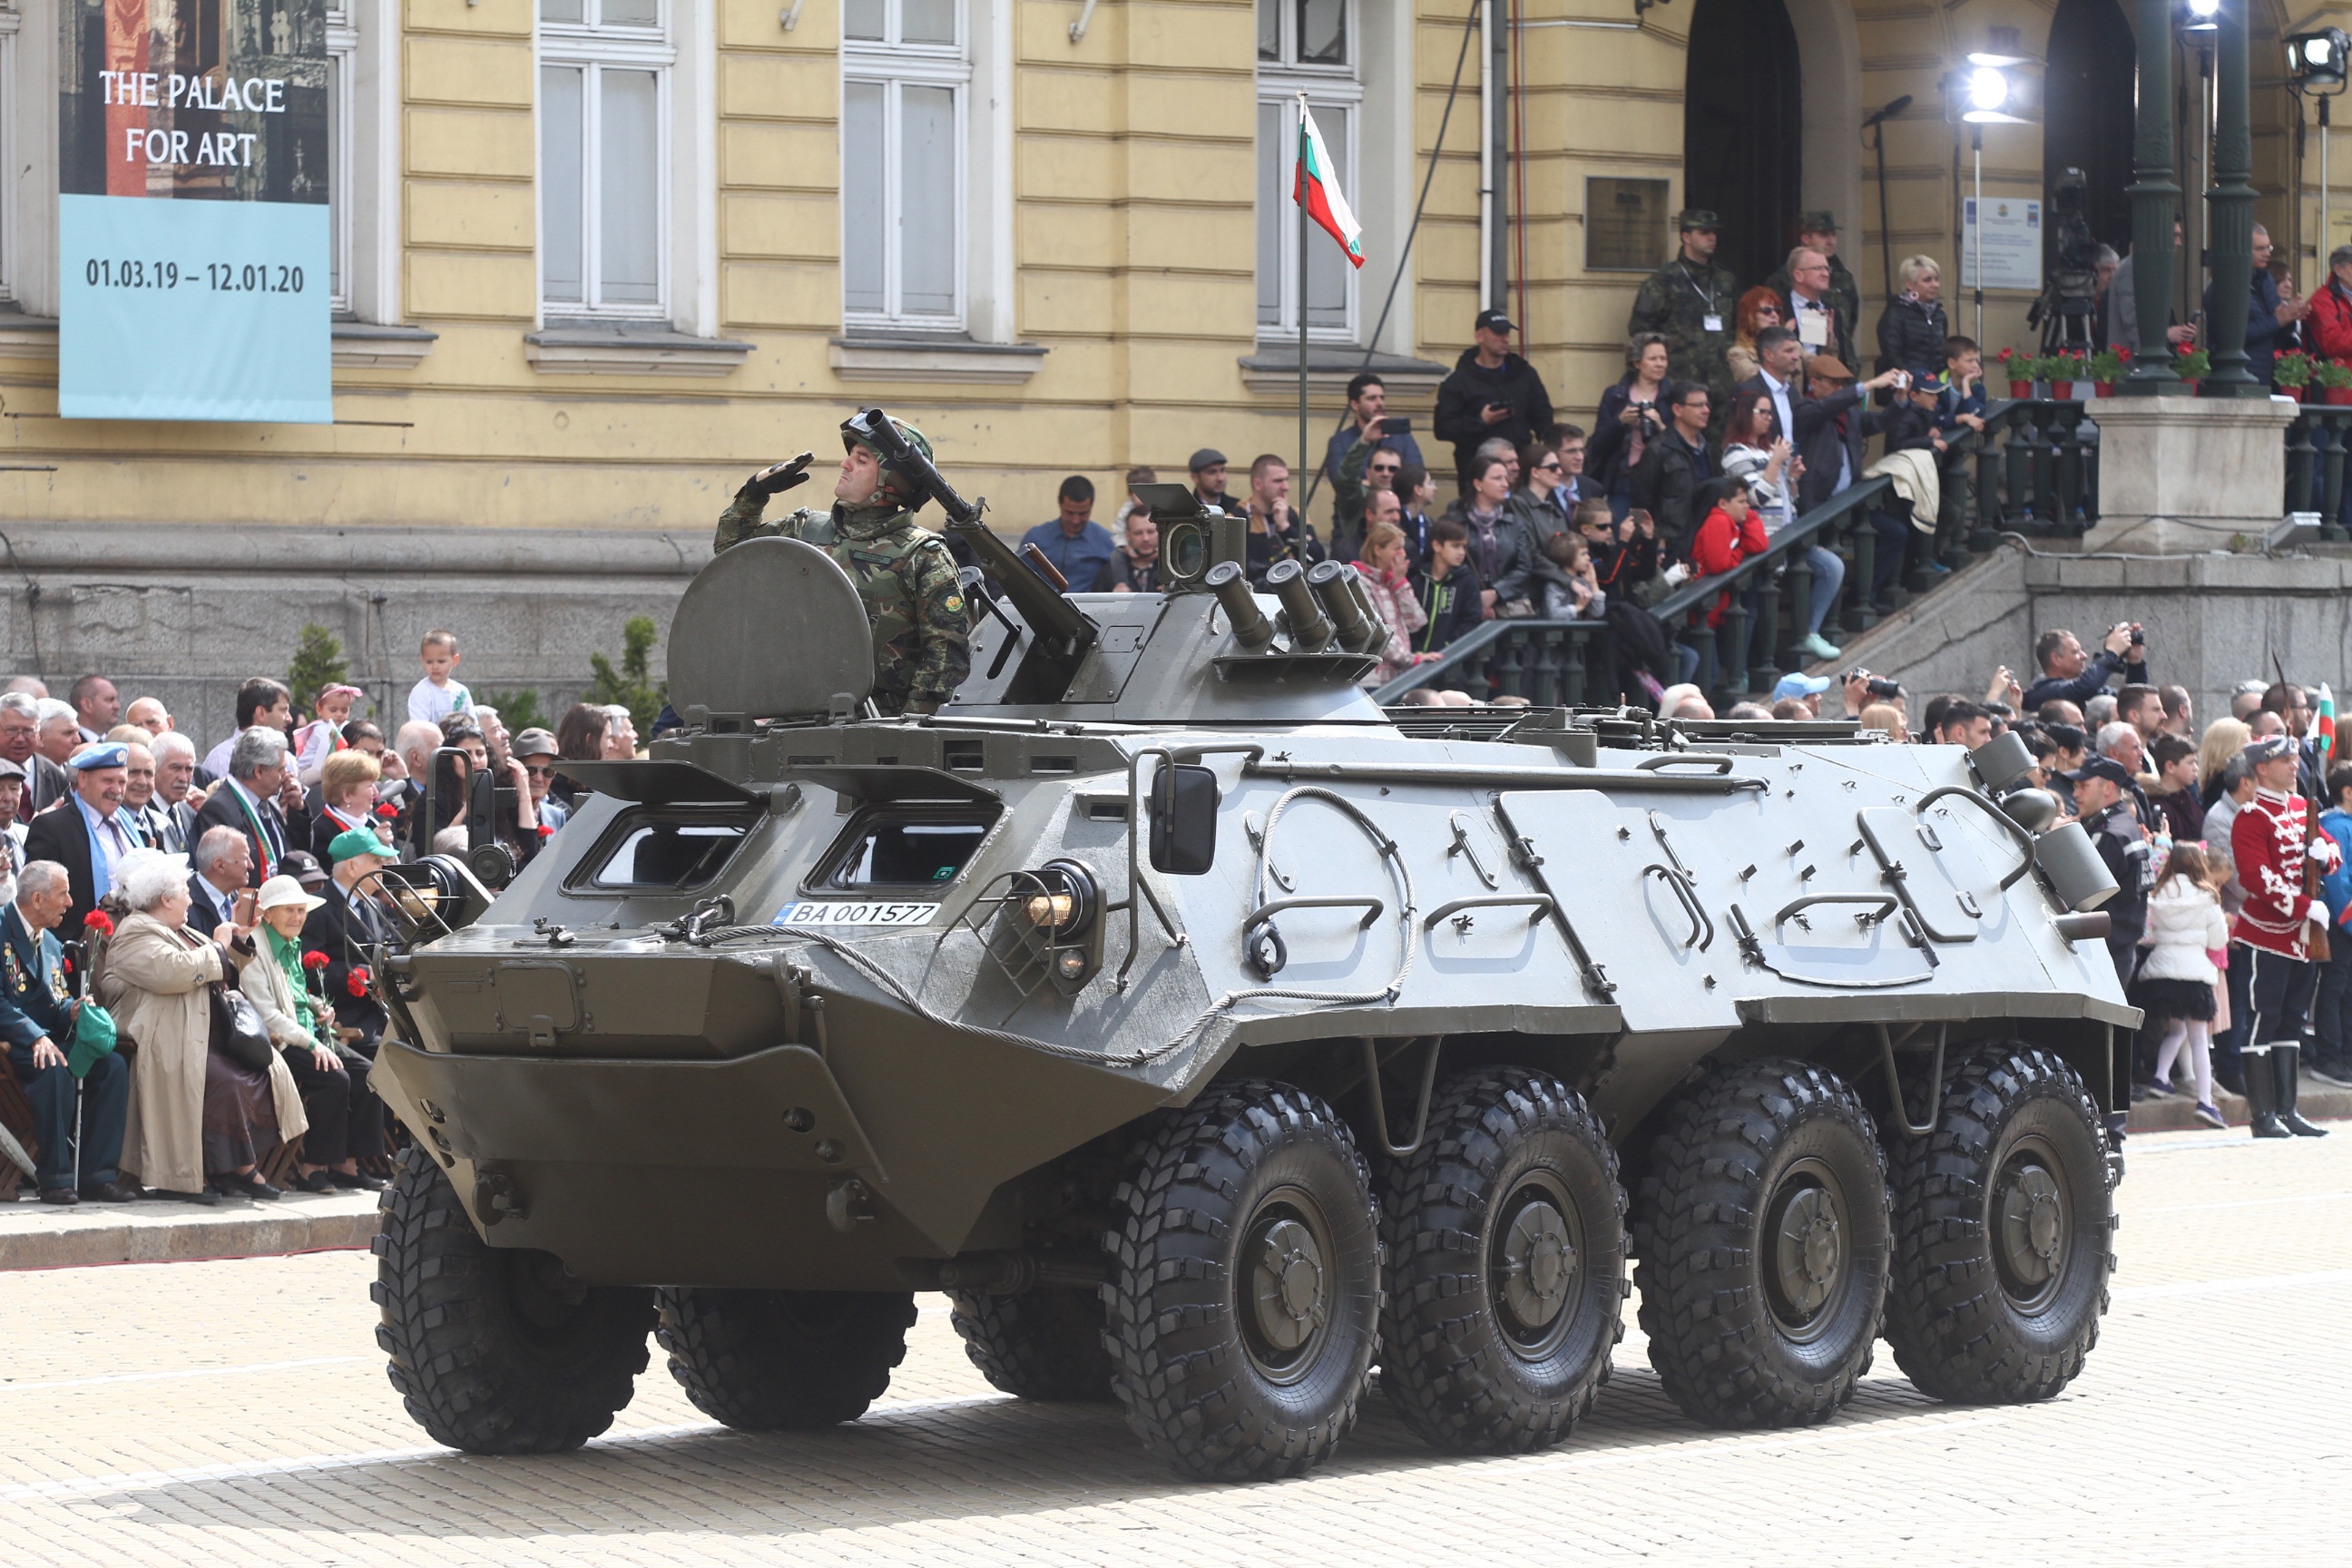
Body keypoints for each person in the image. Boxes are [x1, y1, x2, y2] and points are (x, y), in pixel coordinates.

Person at [710, 412, 972, 716]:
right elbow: (730, 556)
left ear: (892, 481)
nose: (845, 464)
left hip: (875, 724)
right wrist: (753, 494)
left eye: (861, 460)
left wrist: (909, 725)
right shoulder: (802, 529)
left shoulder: (923, 555)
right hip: (793, 718)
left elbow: (945, 655)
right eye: (850, 455)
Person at [100, 847, 302, 1204]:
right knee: (225, 1082)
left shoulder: (181, 930)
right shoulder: (134, 932)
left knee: (254, 1074)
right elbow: (174, 972)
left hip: (199, 1035)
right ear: (166, 899)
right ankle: (215, 1173)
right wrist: (220, 946)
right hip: (162, 1040)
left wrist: (237, 939)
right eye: (185, 892)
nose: (191, 900)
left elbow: (222, 965)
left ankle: (230, 1169)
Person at [0, 861, 133, 1204]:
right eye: (63, 894)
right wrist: (35, 1036)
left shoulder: (51, 942)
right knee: (54, 1067)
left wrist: (71, 1009)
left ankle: (96, 1175)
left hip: (48, 1040)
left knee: (112, 1066)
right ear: (38, 899)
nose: (70, 903)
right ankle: (55, 1178)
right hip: (12, 1042)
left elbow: (54, 1002)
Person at [241, 874, 384, 1193]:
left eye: (301, 910)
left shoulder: (290, 942)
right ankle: (312, 1168)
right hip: (276, 1042)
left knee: (370, 1075)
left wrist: (320, 1006)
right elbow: (267, 1015)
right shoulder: (254, 947)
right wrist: (313, 1044)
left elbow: (296, 994)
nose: (297, 917)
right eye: (289, 910)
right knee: (335, 1079)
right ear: (268, 914)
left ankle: (347, 1165)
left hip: (307, 1033)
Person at [2230, 733, 2339, 1136]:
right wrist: (2302, 905)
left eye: (2295, 759)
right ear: (2262, 768)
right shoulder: (2251, 816)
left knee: (2293, 1019)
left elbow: (2331, 848)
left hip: (2303, 936)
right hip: (2268, 933)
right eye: (2285, 761)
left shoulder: (2301, 808)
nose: (2295, 766)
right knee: (2264, 1017)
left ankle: (2287, 1110)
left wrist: (2326, 856)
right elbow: (2257, 877)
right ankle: (2263, 1116)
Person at [1720, 389, 1842, 662]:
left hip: (1788, 535)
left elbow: (1785, 498)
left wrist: (1792, 478)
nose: (1768, 418)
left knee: (1832, 566)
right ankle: (1741, 669)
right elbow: (1756, 498)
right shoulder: (1735, 453)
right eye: (1762, 412)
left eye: (1770, 413)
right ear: (1745, 414)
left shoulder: (1767, 450)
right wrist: (1776, 462)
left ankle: (1810, 632)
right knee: (1752, 607)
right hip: (1760, 541)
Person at [2133, 842, 2230, 1128]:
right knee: (2198, 1039)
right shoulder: (2207, 897)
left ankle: (2161, 1078)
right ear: (2199, 864)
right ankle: (2205, 1102)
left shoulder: (2158, 894)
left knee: (2176, 1031)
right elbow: (2218, 941)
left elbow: (2148, 933)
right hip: (2194, 974)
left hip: (2162, 973)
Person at [23, 743, 143, 936]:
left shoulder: (132, 825)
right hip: (82, 945)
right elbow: (39, 900)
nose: (116, 790)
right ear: (83, 779)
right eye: (108, 781)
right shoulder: (52, 828)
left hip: (134, 939)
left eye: (122, 782)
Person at [1435, 309, 1556, 494]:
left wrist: (1546, 457)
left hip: (1519, 469)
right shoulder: (1459, 381)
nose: (1505, 339)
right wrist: (1481, 421)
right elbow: (1443, 428)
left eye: (1507, 333)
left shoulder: (1524, 373)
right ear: (1480, 336)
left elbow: (1543, 418)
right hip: (1477, 472)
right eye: (1498, 333)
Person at [1627, 210, 1740, 410]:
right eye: (1704, 232)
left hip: (1721, 386)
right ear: (1686, 237)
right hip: (1679, 386)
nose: (1712, 238)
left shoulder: (1725, 280)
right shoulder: (1661, 281)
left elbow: (1737, 325)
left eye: (1713, 232)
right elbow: (1639, 328)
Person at [304, 829, 397, 1051]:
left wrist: (388, 972)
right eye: (375, 861)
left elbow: (390, 947)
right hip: (344, 1022)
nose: (382, 867)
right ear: (352, 867)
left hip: (383, 1019)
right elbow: (311, 971)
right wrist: (366, 974)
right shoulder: (317, 908)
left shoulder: (375, 905)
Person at [191, 727, 294, 887]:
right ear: (259, 771)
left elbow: (295, 850)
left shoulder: (269, 802)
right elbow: (224, 874)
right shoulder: (220, 809)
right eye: (281, 769)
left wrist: (298, 809)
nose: (286, 775)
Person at [2203, 224, 2302, 388]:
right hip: (2239, 376)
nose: (2267, 253)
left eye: (2268, 247)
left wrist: (2291, 317)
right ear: (2242, 250)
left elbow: (2277, 325)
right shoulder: (2223, 287)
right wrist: (2278, 320)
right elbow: (2231, 336)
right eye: (2260, 249)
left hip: (2267, 373)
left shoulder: (2264, 280)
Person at [1631, 380, 1719, 560]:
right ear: (1678, 410)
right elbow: (1640, 502)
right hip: (1670, 545)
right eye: (1698, 405)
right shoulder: (1658, 449)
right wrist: (1650, 542)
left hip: (1704, 539)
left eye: (1707, 404)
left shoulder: (1707, 449)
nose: (1706, 410)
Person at [1587, 334, 1671, 514]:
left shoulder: (1672, 397)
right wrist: (1619, 422)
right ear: (1637, 362)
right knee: (1622, 527)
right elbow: (1597, 444)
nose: (1660, 364)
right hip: (1623, 480)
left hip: (1660, 482)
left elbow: (1679, 444)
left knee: (1648, 528)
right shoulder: (1615, 395)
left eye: (1663, 358)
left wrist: (1660, 425)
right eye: (1653, 359)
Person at [1762, 211, 1862, 363]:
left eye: (1833, 235)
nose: (1831, 241)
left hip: (1834, 364)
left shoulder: (1843, 278)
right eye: (1823, 235)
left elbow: (1851, 320)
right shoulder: (1781, 281)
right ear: (1806, 239)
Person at [1441, 453, 1527, 617]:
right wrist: (1476, 595)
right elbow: (1445, 564)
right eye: (1497, 478)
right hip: (1463, 605)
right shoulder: (1454, 521)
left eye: (1506, 478)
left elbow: (1524, 567)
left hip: (1507, 608)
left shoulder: (1514, 523)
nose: (1505, 483)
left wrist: (1496, 592)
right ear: (1478, 483)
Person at [1323, 372, 1426, 499]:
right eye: (1372, 398)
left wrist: (1367, 483)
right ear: (1355, 404)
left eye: (1382, 398)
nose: (1380, 403)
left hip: (1398, 508)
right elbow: (1341, 484)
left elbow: (1417, 479)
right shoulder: (1339, 442)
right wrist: (1391, 484)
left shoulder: (1402, 437)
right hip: (1358, 510)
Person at [1350, 524, 1429, 688]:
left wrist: (1400, 583)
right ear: (1378, 550)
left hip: (1396, 678)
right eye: (1397, 548)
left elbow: (1417, 622)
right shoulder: (1359, 583)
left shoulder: (1393, 583)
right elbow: (1375, 633)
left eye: (1403, 548)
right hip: (1371, 680)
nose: (1403, 554)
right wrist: (1410, 659)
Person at [2313, 761, 2352, 1089]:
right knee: (2335, 988)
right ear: (2347, 792)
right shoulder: (2337, 827)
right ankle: (2329, 1058)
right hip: (2341, 925)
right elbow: (2338, 882)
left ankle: (2345, 1055)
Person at [2107, 217, 2199, 355]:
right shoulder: (2132, 269)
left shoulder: (2152, 270)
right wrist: (2167, 334)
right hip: (2132, 363)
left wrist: (2180, 334)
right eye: (2174, 235)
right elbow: (2132, 323)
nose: (2179, 243)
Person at [1326, 421, 1406, 564]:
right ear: (1368, 473)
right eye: (1379, 468)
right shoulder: (1357, 499)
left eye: (1393, 469)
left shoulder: (1407, 497)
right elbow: (1346, 478)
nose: (1386, 473)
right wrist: (1364, 441)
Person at [2021, 624, 2147, 712]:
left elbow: (2132, 701)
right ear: (2056, 658)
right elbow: (2085, 687)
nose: (2084, 656)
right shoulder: (2043, 692)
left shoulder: (2089, 690)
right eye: (2076, 652)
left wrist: (2135, 662)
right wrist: (2111, 653)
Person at [1020, 476, 1117, 591]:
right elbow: (1020, 578)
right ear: (1060, 503)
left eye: (1082, 514)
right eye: (1070, 513)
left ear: (1091, 507)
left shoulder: (1106, 541)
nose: (1076, 520)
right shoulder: (1035, 539)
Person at [1242, 454, 1326, 584]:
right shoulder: (1239, 517)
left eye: (1286, 480)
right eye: (1278, 481)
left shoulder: (1296, 514)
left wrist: (1286, 527)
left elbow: (1319, 559)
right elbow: (1246, 568)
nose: (1286, 487)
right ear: (1258, 484)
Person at [1409, 517, 1485, 655]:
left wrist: (1447, 647)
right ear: (1437, 546)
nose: (1462, 552)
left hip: (1449, 659)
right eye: (1455, 546)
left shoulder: (1467, 581)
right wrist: (1416, 651)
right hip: (1416, 659)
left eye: (1464, 547)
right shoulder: (1418, 581)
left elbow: (1471, 621)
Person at [1780, 247, 1857, 375]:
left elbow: (1841, 360)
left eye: (1827, 269)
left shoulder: (1832, 311)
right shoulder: (1778, 310)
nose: (1826, 274)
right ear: (1798, 275)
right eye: (1818, 268)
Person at [1874, 256, 1950, 382]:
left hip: (1935, 383)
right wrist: (1913, 378)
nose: (1935, 285)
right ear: (1909, 284)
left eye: (1937, 279)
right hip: (1905, 382)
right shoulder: (1896, 312)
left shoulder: (1939, 314)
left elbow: (1941, 352)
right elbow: (1891, 354)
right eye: (1927, 280)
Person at [200, 679, 295, 779]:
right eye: (283, 710)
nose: (290, 719)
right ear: (261, 713)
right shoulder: (222, 759)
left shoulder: (288, 760)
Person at [309, 748, 388, 862]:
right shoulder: (321, 833)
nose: (376, 792)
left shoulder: (371, 823)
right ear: (347, 795)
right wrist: (370, 845)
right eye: (369, 786)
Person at [0, 692, 69, 813]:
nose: (20, 738)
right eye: (11, 730)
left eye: (28, 731)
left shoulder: (54, 775)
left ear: (39, 733)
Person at [406, 631, 473, 726]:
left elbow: (472, 724)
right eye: (429, 662)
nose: (435, 666)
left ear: (454, 660)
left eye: (441, 661)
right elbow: (420, 727)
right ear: (422, 660)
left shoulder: (462, 692)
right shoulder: (421, 692)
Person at [1723, 287, 1788, 386]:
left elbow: (1812, 363)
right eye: (1766, 311)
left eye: (1778, 310)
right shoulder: (1738, 353)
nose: (1774, 315)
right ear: (1750, 316)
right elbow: (1756, 379)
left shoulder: (1794, 346)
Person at [2148, 733, 2203, 842]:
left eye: (2196, 762)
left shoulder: (2188, 798)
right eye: (2190, 763)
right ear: (2170, 767)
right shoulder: (2156, 807)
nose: (2196, 768)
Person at [512, 728, 567, 835]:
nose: (539, 779)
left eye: (548, 772)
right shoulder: (501, 816)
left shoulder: (557, 816)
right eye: (531, 771)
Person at [1095, 510, 1162, 593]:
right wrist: (1112, 598)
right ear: (1127, 535)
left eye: (1150, 532)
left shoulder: (1172, 569)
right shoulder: (1108, 573)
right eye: (1138, 533)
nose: (1145, 538)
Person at [1936, 336, 1988, 439]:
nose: (1975, 365)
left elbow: (1976, 415)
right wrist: (1962, 418)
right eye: (1969, 361)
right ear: (1952, 363)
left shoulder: (1977, 388)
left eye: (1976, 360)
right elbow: (1937, 418)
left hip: (1961, 441)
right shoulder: (1937, 386)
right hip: (1939, 439)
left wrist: (1966, 383)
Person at [69, 674, 120, 742]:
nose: (117, 706)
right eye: (110, 700)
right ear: (87, 705)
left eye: (116, 699)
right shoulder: (69, 745)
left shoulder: (120, 743)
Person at [1188, 448, 1236, 513]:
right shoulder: (1186, 510)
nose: (1220, 478)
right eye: (1212, 472)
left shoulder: (1236, 508)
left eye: (1222, 470)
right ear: (1195, 477)